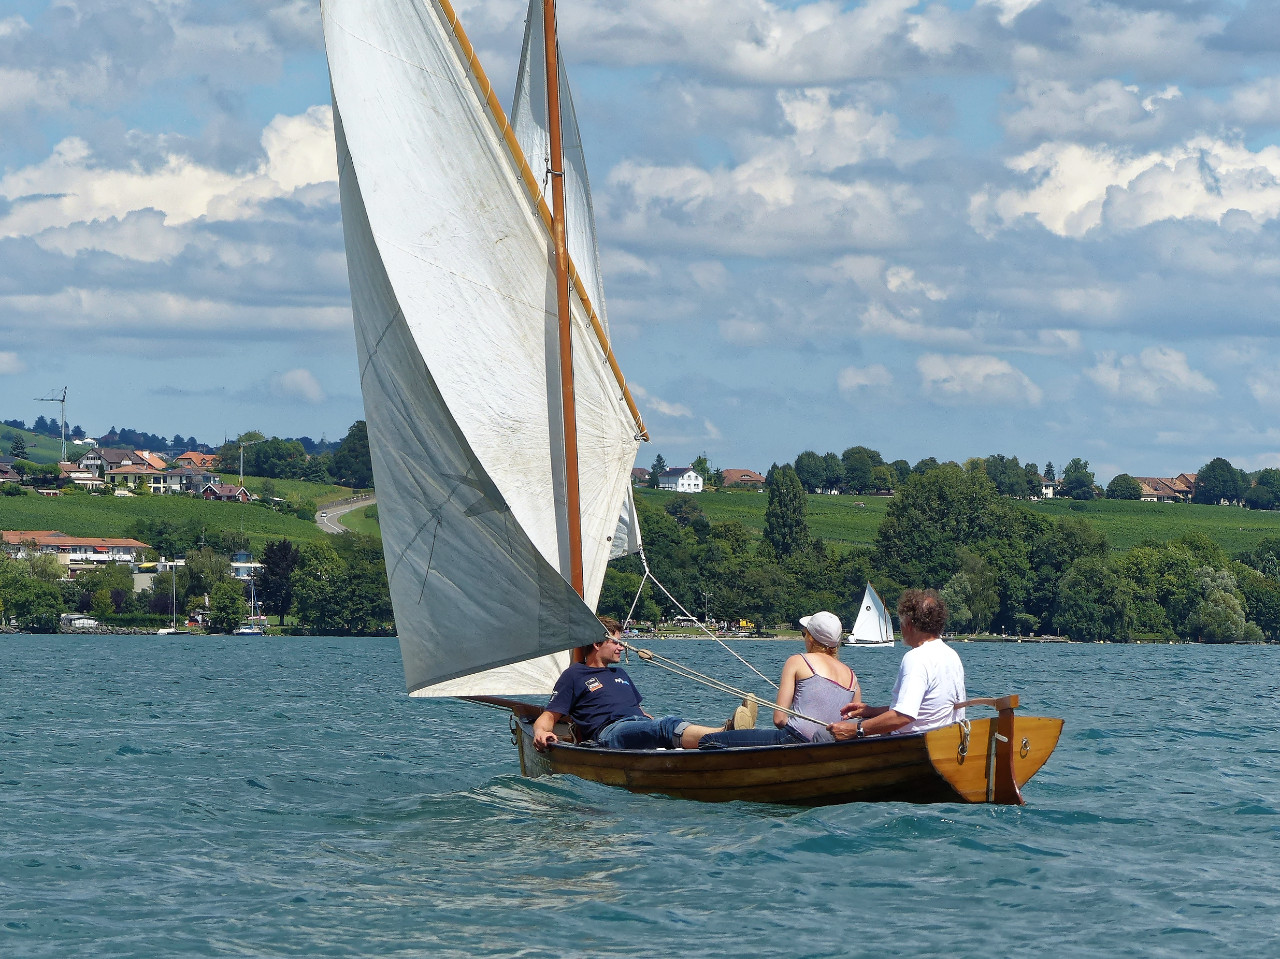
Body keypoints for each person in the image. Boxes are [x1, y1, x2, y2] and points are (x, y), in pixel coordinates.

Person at [532, 616, 727, 751]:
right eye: (616, 642)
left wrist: (646, 720)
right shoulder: (575, 674)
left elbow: (640, 711)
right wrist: (541, 732)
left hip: (637, 726)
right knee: (666, 726)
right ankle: (723, 735)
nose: (621, 647)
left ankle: (729, 735)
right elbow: (549, 716)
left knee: (663, 725)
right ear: (597, 644)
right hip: (610, 732)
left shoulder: (620, 673)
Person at [698, 610, 861, 748]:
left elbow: (779, 719)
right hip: (829, 748)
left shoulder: (798, 661)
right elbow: (851, 724)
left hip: (795, 741)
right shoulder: (853, 678)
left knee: (708, 741)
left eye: (804, 633)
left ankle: (731, 730)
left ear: (810, 638)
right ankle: (737, 730)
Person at [829, 589, 965, 740]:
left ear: (909, 624)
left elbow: (903, 716)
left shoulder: (916, 658)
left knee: (823, 735)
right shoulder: (951, 655)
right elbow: (925, 709)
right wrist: (871, 711)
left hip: (910, 746)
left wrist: (856, 729)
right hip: (941, 742)